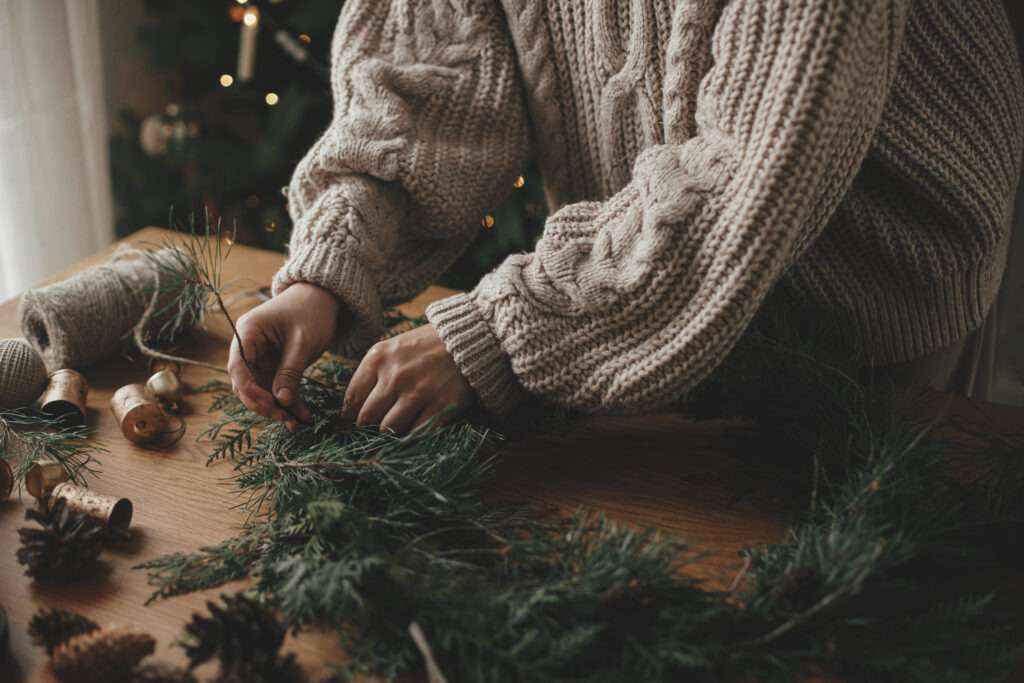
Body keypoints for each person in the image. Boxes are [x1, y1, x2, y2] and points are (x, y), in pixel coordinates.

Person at [229, 0, 1024, 436]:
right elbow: (431, 67)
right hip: (638, 274)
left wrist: (503, 332)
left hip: (871, 283)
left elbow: (748, 162)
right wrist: (334, 264)